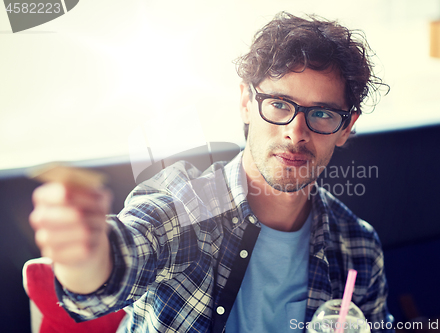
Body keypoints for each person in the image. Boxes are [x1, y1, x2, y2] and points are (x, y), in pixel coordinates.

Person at [30, 12, 393, 333]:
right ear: (246, 103)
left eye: (322, 113)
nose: (295, 132)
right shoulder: (186, 205)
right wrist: (87, 257)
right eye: (279, 104)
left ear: (346, 127)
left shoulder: (357, 246)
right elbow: (119, 263)